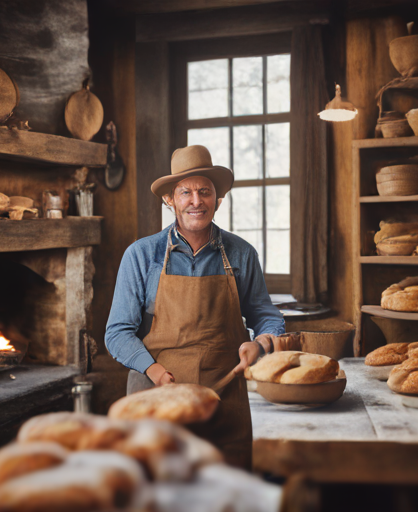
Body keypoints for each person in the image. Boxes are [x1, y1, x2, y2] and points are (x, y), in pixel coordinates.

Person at [106, 145, 297, 469]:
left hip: (224, 396)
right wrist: (153, 370)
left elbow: (266, 315)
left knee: (227, 493)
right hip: (155, 397)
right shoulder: (141, 256)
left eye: (204, 192)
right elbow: (117, 333)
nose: (196, 201)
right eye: (186, 193)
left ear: (217, 199)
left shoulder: (241, 254)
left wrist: (261, 343)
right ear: (170, 199)